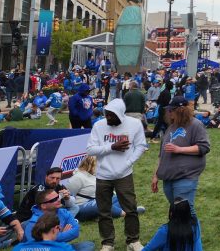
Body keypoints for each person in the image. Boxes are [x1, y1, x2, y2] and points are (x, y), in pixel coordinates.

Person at [85, 98, 148, 251]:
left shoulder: (134, 124)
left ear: (120, 115)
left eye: (111, 116)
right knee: (104, 211)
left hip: (124, 174)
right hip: (103, 175)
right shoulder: (99, 125)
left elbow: (141, 146)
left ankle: (133, 241)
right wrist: (111, 147)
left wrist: (128, 163)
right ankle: (107, 243)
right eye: (106, 115)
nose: (108, 118)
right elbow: (90, 149)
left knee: (131, 208)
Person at [151, 96, 210, 209]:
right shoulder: (171, 127)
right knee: (176, 211)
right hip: (168, 177)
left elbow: (203, 147)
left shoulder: (195, 125)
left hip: (185, 176)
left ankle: (192, 228)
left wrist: (179, 149)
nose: (168, 113)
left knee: (186, 212)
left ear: (180, 111)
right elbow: (161, 155)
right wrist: (156, 175)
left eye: (171, 110)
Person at [20, 188, 94, 251]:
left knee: (87, 245)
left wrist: (53, 237)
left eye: (58, 197)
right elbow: (39, 247)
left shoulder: (64, 212)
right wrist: (62, 234)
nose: (59, 200)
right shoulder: (33, 222)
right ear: (43, 206)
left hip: (58, 247)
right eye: (54, 199)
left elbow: (75, 232)